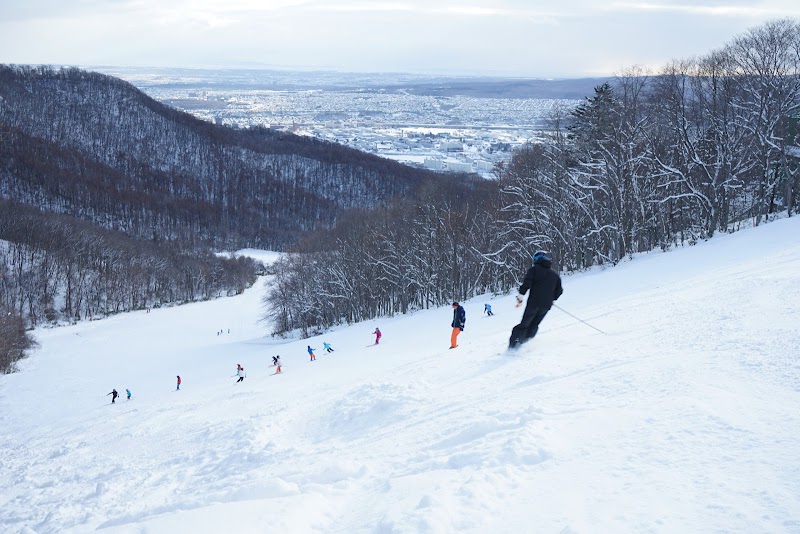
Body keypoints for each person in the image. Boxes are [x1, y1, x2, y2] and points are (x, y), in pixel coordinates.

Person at [509, 250, 563, 349]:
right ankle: (526, 344)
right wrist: (552, 299)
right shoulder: (555, 275)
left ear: (536, 259)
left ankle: (513, 347)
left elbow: (527, 283)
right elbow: (559, 291)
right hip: (546, 306)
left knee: (524, 325)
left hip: (533, 304)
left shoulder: (534, 270)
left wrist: (520, 296)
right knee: (534, 325)